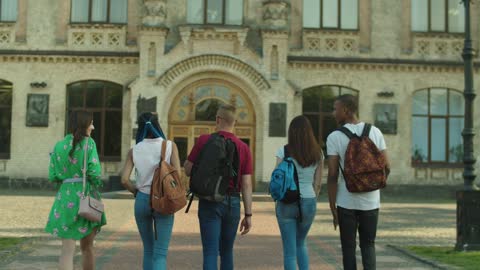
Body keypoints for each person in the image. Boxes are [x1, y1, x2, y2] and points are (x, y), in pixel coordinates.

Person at [183, 104, 253, 270]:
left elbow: (187, 169)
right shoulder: (243, 148)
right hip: (232, 202)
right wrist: (248, 214)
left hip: (209, 200)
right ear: (234, 121)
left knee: (210, 252)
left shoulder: (204, 140)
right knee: (227, 252)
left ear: (217, 119)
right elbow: (247, 184)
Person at [326, 94, 391, 270]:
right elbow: (387, 167)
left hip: (346, 202)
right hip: (371, 201)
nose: (333, 113)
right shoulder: (375, 132)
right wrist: (372, 185)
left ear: (345, 110)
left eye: (335, 108)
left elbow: (332, 175)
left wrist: (333, 207)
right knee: (368, 246)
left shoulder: (334, 137)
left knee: (348, 249)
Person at [45, 110, 106, 270]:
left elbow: (52, 175)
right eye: (91, 123)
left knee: (66, 251)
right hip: (85, 197)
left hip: (65, 198)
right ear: (84, 124)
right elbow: (94, 173)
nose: (93, 127)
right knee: (87, 248)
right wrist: (97, 184)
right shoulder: (89, 143)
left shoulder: (59, 146)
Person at [121, 112, 181, 270]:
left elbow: (124, 179)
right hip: (163, 200)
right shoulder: (170, 146)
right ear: (157, 124)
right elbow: (178, 176)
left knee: (148, 250)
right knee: (160, 253)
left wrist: (136, 192)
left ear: (140, 127)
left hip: (142, 199)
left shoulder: (134, 150)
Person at [274, 115, 323, 270]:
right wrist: (310, 197)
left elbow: (277, 179)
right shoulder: (318, 153)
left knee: (289, 252)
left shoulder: (283, 151)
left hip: (287, 201)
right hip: (308, 200)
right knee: (301, 243)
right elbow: (318, 183)